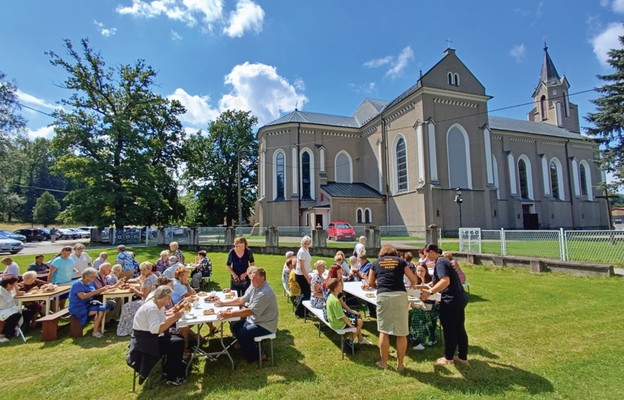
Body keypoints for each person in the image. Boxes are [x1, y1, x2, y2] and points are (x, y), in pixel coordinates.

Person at [365, 244, 418, 371]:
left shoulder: (376, 262)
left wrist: (378, 285)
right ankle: (400, 364)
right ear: (394, 253)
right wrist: (412, 284)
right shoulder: (400, 261)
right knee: (402, 332)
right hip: (400, 295)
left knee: (384, 331)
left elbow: (370, 282)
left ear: (381, 253)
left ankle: (384, 363)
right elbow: (413, 279)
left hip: (384, 295)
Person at [216, 266, 278, 363]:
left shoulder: (265, 293)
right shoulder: (254, 286)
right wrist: (223, 303)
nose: (252, 281)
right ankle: (244, 344)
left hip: (266, 325)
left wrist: (229, 314)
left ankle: (258, 356)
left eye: (254, 278)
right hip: (255, 320)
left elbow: (250, 311)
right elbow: (241, 300)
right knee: (235, 325)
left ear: (262, 278)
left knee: (242, 333)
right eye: (251, 278)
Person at [127, 286, 186, 386]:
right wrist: (174, 318)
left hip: (151, 337)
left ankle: (171, 367)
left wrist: (172, 316)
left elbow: (162, 321)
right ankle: (172, 376)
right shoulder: (152, 308)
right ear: (161, 297)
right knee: (177, 343)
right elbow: (156, 329)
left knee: (178, 338)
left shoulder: (158, 305)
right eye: (168, 298)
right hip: (146, 343)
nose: (169, 300)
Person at [421, 243, 469, 366]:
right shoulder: (443, 261)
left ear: (431, 251)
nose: (426, 258)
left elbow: (445, 281)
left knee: (449, 330)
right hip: (459, 298)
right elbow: (437, 281)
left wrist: (430, 292)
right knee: (459, 328)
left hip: (451, 300)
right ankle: (463, 357)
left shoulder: (441, 262)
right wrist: (425, 286)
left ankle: (448, 358)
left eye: (426, 254)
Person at [68, 268, 116, 338]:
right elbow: (83, 297)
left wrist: (106, 290)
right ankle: (95, 331)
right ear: (85, 276)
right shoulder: (78, 284)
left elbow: (94, 293)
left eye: (95, 276)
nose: (94, 278)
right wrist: (98, 291)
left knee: (108, 305)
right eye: (92, 276)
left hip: (89, 303)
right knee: (101, 309)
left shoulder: (90, 283)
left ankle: (99, 326)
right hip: (78, 307)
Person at [325, 278, 370, 350]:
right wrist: (351, 326)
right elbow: (342, 317)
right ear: (336, 288)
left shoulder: (331, 296)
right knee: (360, 321)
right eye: (340, 285)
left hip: (334, 320)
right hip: (338, 323)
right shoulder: (335, 300)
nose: (342, 286)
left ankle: (360, 339)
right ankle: (350, 341)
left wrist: (351, 312)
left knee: (357, 316)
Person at [409, 264, 440, 350]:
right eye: (418, 271)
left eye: (422, 271)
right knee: (410, 312)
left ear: (426, 271)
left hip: (430, 307)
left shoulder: (431, 281)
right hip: (420, 304)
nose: (420, 273)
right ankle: (414, 337)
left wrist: (423, 282)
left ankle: (422, 340)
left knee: (416, 314)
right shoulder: (415, 280)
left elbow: (432, 296)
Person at [0, 275, 24, 343]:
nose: (16, 285)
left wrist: (17, 291)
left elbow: (13, 300)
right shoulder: (1, 292)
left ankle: (16, 331)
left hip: (9, 309)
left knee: (24, 311)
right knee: (16, 315)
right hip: (2, 311)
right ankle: (3, 334)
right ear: (8, 285)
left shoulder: (10, 290)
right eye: (14, 283)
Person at [294, 236, 312, 318]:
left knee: (304, 293)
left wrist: (310, 270)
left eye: (308, 243)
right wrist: (307, 278)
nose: (306, 245)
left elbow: (306, 264)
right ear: (302, 243)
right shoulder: (302, 251)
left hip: (304, 273)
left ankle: (304, 311)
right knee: (307, 294)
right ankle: (299, 311)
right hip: (301, 275)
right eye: (305, 243)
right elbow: (301, 267)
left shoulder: (306, 250)